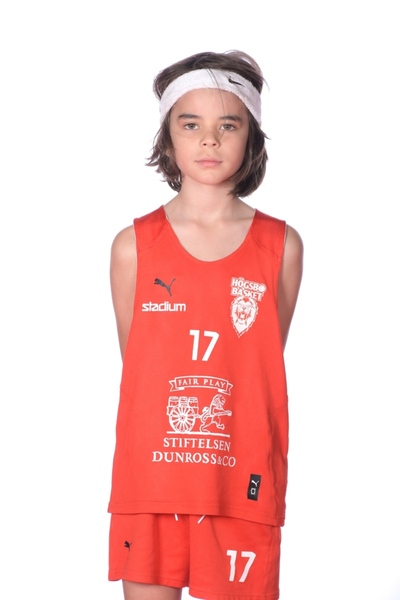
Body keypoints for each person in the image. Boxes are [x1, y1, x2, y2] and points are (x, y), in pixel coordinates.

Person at [108, 50, 303, 600]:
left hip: (240, 477)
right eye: (191, 124)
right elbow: (141, 364)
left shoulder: (281, 246)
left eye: (228, 125)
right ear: (168, 138)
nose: (210, 141)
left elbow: (257, 360)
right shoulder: (133, 247)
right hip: (152, 479)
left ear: (251, 137)